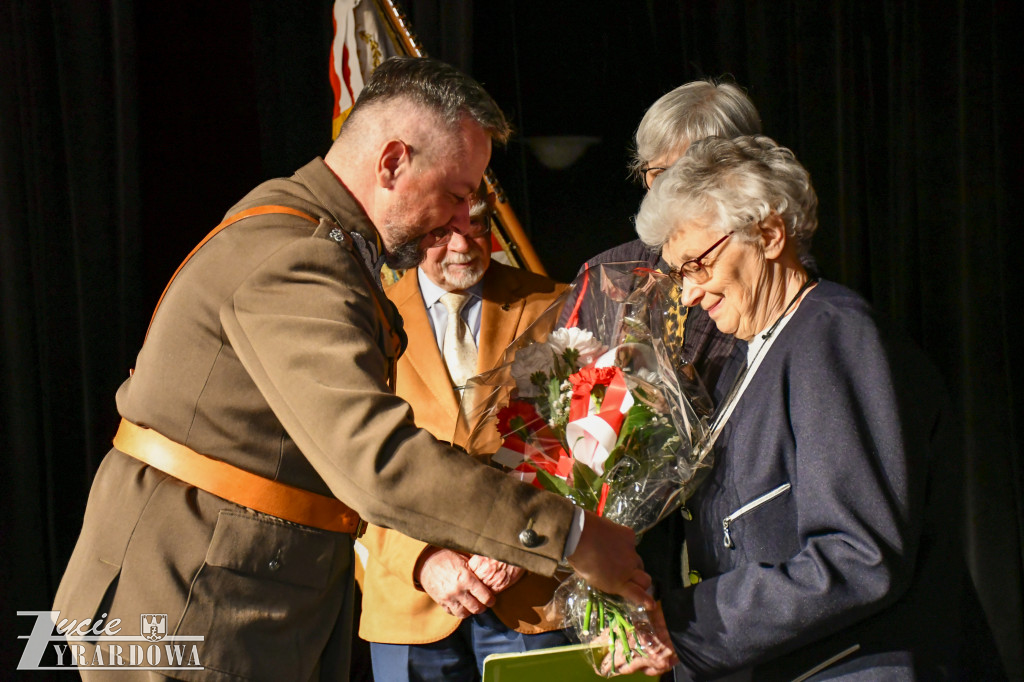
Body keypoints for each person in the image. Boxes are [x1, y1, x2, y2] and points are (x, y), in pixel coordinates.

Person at [52, 57, 651, 681]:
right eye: (454, 194)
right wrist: (574, 536)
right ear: (391, 163)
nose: (461, 221)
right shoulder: (298, 258)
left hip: (217, 602)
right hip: (192, 609)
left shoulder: (314, 238)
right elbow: (376, 462)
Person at [623, 135, 970, 679]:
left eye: (697, 265)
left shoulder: (834, 339)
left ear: (768, 233)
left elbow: (858, 555)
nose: (687, 294)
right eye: (678, 273)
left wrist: (688, 622)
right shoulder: (754, 353)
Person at [358, 188, 571, 680]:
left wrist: (528, 541)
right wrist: (421, 559)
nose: (463, 244)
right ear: (408, 237)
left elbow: (581, 441)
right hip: (408, 598)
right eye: (441, 231)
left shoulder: (551, 303)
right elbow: (338, 456)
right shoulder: (364, 315)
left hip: (530, 592)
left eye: (476, 225)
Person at [573, 78, 763, 401]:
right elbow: (563, 395)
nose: (671, 193)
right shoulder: (601, 273)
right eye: (660, 174)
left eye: (690, 175)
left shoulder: (760, 284)